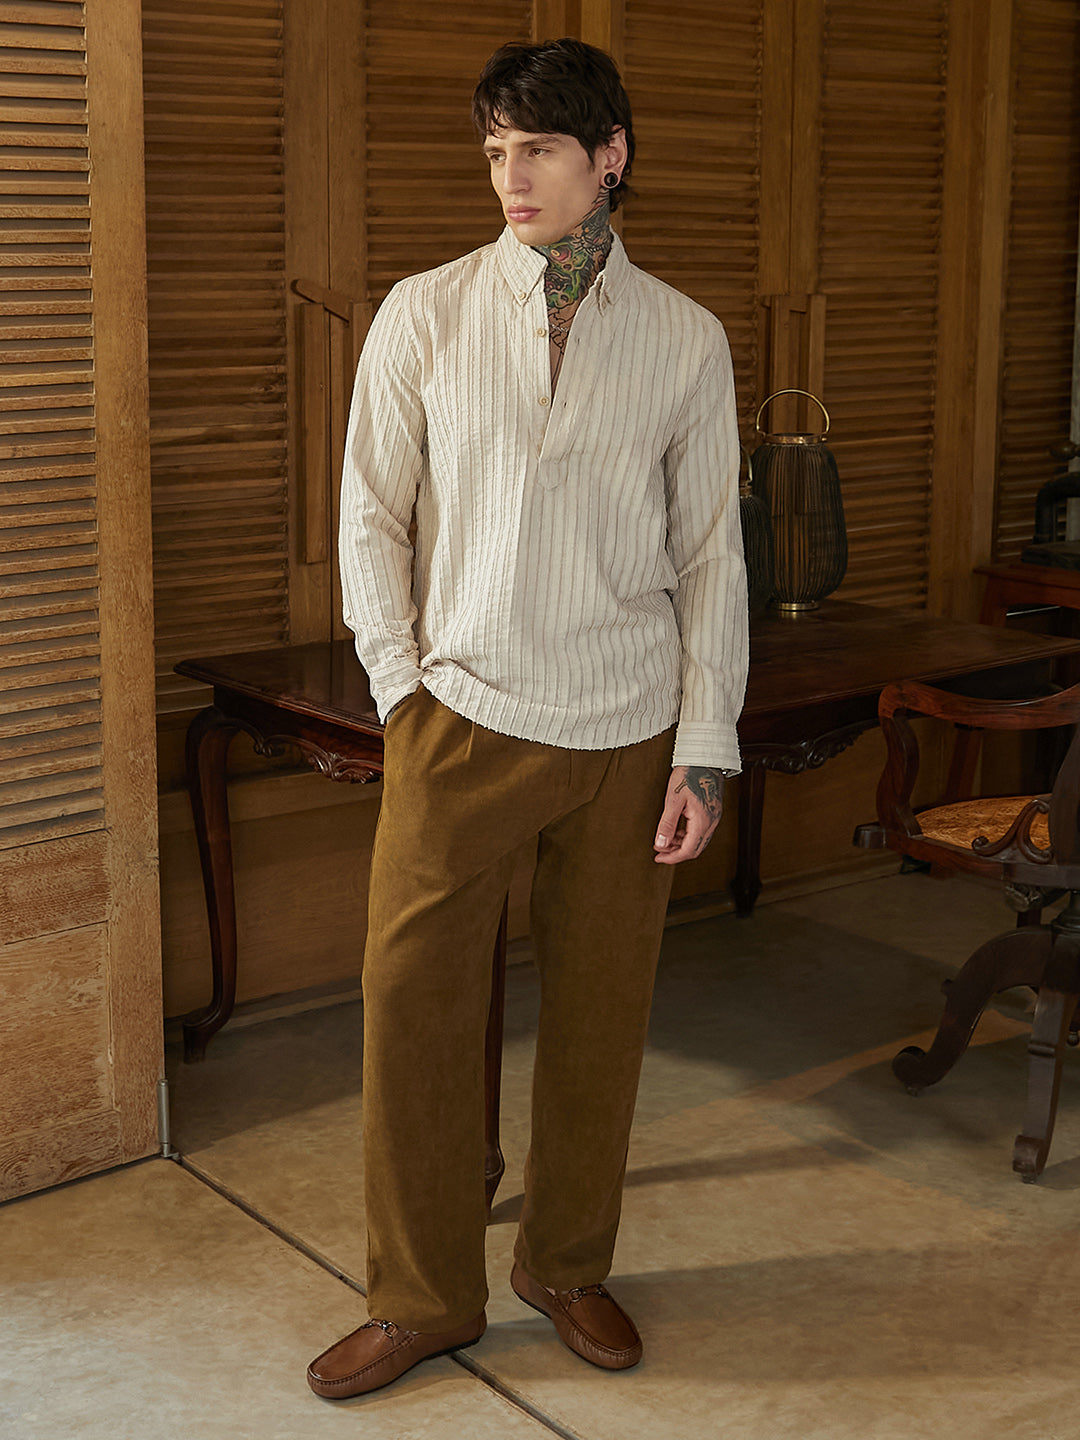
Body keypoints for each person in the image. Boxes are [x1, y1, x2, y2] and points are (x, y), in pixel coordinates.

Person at [307, 37, 748, 1400]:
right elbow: (369, 513)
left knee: (602, 1017)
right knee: (414, 1013)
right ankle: (421, 1298)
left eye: (540, 148)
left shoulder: (684, 335)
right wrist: (401, 689)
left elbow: (711, 556)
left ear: (609, 155)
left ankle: (566, 1264)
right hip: (460, 719)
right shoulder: (424, 312)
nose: (512, 175)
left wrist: (705, 746)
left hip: (629, 727)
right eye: (497, 149)